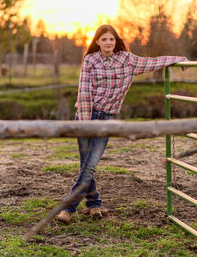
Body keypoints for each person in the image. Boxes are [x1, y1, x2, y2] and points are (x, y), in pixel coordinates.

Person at [57, 24, 188, 224]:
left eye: (111, 39)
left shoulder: (128, 60)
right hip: (85, 115)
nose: (108, 43)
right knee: (86, 165)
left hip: (106, 119)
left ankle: (68, 208)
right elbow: (84, 92)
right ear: (97, 42)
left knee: (89, 167)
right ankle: (94, 204)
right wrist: (85, 124)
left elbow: (153, 62)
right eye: (104, 39)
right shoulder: (90, 61)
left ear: (116, 41)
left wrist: (178, 59)